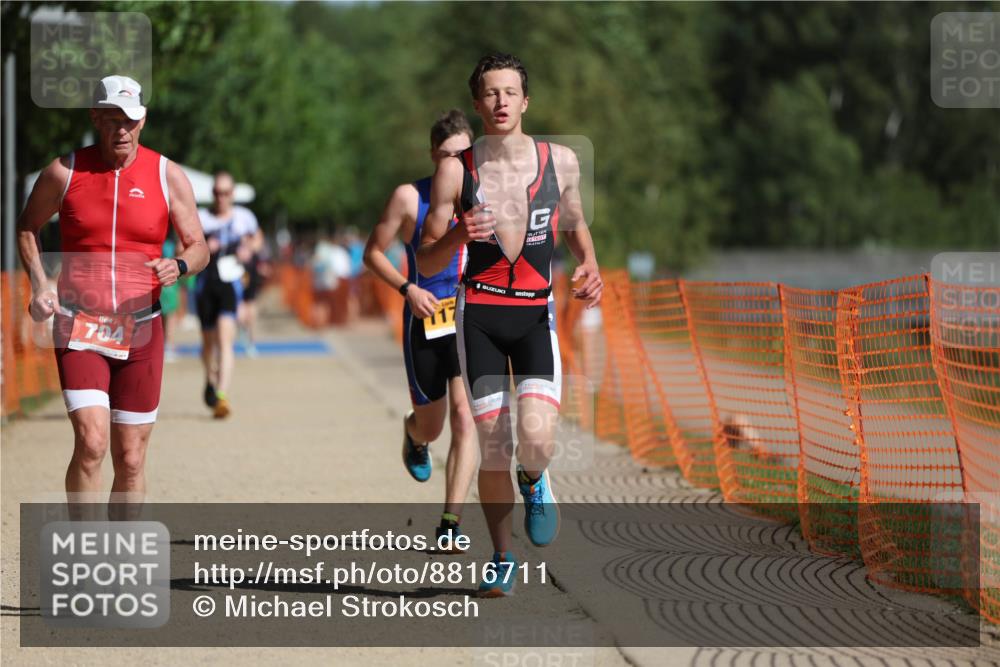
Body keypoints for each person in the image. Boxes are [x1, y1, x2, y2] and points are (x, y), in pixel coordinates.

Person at [418, 54, 603, 596]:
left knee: (536, 443)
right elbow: (427, 260)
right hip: (479, 315)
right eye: (490, 93)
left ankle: (535, 476)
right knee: (493, 446)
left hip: (534, 314)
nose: (500, 102)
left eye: (510, 92)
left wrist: (589, 262)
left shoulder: (561, 161)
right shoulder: (457, 170)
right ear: (477, 104)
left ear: (526, 100)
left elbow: (574, 224)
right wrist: (457, 237)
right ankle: (502, 555)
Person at [16, 75, 208, 512]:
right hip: (80, 322)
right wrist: (41, 283)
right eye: (112, 118)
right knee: (91, 441)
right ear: (96, 118)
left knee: (132, 457)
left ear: (142, 121)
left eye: (130, 119)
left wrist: (177, 265)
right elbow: (27, 226)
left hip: (142, 327)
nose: (121, 129)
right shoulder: (65, 171)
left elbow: (199, 247)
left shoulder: (166, 174)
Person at [363, 110, 478, 550]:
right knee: (434, 426)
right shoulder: (409, 198)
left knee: (466, 417)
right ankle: (413, 436)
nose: (455, 165)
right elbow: (373, 254)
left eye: (464, 156)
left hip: (469, 316)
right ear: (433, 155)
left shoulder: (483, 194)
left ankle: (451, 523)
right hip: (425, 316)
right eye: (448, 156)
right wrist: (407, 288)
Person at [195, 172, 259, 418]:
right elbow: (183, 247)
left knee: (225, 340)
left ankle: (222, 395)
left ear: (233, 194)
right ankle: (209, 378)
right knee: (208, 343)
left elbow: (257, 240)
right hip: (205, 285)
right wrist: (202, 248)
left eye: (226, 193)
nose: (221, 198)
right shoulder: (201, 218)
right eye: (216, 193)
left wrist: (248, 249)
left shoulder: (245, 217)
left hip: (230, 284)